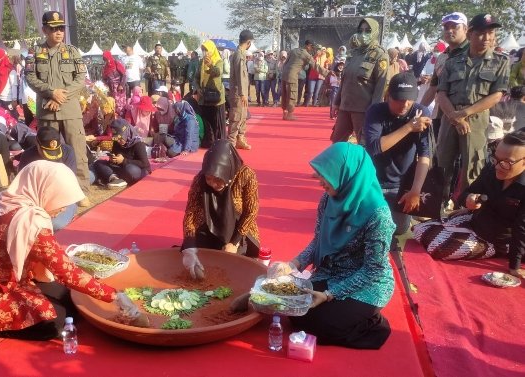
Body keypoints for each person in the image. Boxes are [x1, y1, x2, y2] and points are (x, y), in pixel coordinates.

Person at [0, 160, 147, 339]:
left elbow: (54, 261)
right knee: (57, 324)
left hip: (12, 279)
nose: (63, 208)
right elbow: (66, 272)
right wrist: (116, 296)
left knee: (69, 297)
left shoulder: (15, 202)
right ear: (45, 190)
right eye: (61, 199)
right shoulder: (30, 220)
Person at [242, 142, 394, 349]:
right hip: (331, 272)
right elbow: (318, 240)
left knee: (323, 327)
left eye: (326, 175)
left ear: (347, 174)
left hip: (367, 283)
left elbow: (372, 270)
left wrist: (329, 294)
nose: (320, 181)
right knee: (296, 312)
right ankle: (341, 312)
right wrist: (293, 264)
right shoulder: (328, 199)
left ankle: (374, 324)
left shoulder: (378, 215)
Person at [413, 131, 525, 279]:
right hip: (476, 221)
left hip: (498, 240)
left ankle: (496, 250)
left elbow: (521, 229)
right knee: (419, 229)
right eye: (495, 159)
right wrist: (468, 200)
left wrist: (514, 266)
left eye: (506, 163)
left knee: (437, 247)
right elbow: (467, 192)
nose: (498, 166)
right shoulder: (492, 169)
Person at [436, 13, 510, 205]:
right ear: (470, 35)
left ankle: (467, 209)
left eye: (491, 33)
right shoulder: (452, 61)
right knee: (442, 164)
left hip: (476, 119)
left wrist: (465, 114)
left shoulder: (500, 62)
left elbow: (496, 95)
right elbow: (442, 93)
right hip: (449, 117)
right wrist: (454, 117)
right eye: (481, 33)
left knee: (473, 166)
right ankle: (437, 205)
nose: (487, 38)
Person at [26, 11, 91, 208]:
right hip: (47, 109)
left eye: (61, 28)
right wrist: (50, 92)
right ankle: (51, 192)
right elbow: (30, 78)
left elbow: (80, 80)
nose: (58, 32)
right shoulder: (35, 52)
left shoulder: (72, 52)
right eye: (53, 29)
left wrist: (60, 97)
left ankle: (81, 191)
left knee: (77, 150)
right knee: (47, 152)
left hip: (70, 110)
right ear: (44, 30)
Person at [364, 72, 432, 236]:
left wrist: (415, 190)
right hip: (373, 181)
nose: (405, 104)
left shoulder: (421, 112)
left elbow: (425, 155)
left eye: (409, 100)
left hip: (401, 186)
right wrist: (409, 127)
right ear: (388, 96)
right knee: (364, 227)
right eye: (399, 100)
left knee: (398, 230)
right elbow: (374, 147)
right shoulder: (376, 111)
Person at [181, 140, 260, 279]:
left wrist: (234, 242)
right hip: (209, 224)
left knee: (237, 263)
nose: (213, 184)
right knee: (200, 257)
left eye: (218, 179)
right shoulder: (200, 179)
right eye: (209, 179)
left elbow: (251, 211)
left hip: (238, 228)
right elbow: (191, 212)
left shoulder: (246, 175)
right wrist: (189, 246)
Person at [330, 18, 388, 143]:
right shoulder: (353, 53)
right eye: (361, 30)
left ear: (374, 33)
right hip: (345, 106)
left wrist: (374, 110)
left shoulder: (379, 55)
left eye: (367, 31)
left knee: (365, 145)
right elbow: (344, 80)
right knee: (337, 143)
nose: (363, 34)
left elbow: (381, 86)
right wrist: (336, 102)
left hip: (364, 110)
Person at [18, 127, 79, 231]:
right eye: (47, 152)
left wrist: (54, 206)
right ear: (37, 143)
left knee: (53, 225)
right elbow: (23, 186)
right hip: (36, 199)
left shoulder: (68, 151)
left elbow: (69, 185)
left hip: (62, 199)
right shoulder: (27, 156)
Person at [420, 12, 470, 140]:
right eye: (446, 27)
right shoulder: (442, 57)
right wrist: (418, 110)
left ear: (465, 29)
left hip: (467, 118)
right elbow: (433, 89)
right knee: (440, 156)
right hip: (441, 115)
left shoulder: (473, 53)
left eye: (455, 27)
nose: (449, 31)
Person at [92, 119, 150, 189]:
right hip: (121, 168)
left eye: (120, 138)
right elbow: (115, 156)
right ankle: (115, 179)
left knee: (130, 169)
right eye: (117, 138)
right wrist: (113, 158)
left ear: (126, 133)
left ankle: (113, 177)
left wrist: (124, 161)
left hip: (137, 170)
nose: (119, 141)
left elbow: (145, 163)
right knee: (99, 163)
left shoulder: (138, 144)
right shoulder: (116, 142)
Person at [281, 39, 325, 121]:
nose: (312, 49)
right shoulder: (306, 54)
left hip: (284, 74)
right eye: (312, 47)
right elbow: (316, 66)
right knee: (292, 94)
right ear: (308, 46)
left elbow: (286, 62)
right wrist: (328, 73)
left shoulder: (293, 50)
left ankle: (285, 113)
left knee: (285, 94)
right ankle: (290, 114)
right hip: (292, 75)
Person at [194, 40, 226, 149]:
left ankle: (218, 144)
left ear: (212, 49)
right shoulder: (201, 62)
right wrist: (197, 88)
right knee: (205, 121)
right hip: (204, 97)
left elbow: (217, 72)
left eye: (206, 50)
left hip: (215, 98)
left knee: (216, 122)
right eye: (203, 50)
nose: (204, 52)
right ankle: (207, 142)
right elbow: (196, 77)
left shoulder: (218, 61)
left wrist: (211, 65)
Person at [228, 30, 253, 150]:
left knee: (243, 117)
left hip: (241, 92)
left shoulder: (241, 53)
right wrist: (243, 93)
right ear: (248, 42)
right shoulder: (238, 54)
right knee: (236, 117)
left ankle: (240, 139)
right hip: (238, 93)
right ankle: (231, 143)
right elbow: (240, 76)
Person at [102, 51, 127, 116]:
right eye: (105, 60)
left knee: (120, 105)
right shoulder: (105, 67)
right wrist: (105, 85)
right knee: (112, 104)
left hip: (119, 89)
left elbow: (124, 75)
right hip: (111, 89)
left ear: (110, 57)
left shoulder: (117, 63)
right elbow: (104, 78)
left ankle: (122, 119)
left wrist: (121, 85)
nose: (107, 61)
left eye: (107, 59)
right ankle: (115, 119)